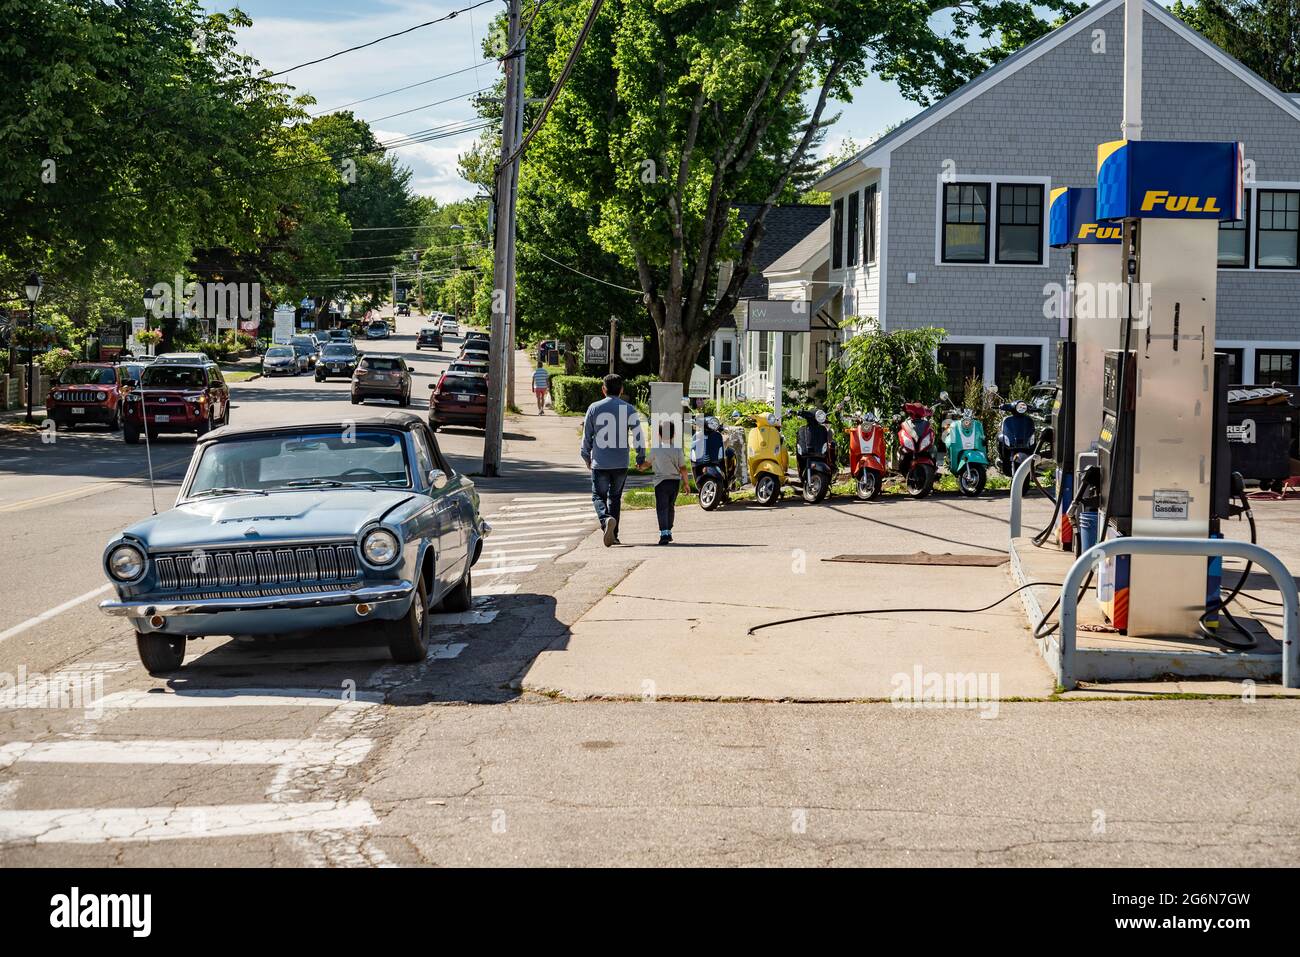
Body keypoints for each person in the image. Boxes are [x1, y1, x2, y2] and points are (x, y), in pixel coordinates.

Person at [579, 373, 647, 546]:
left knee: (597, 496)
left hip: (600, 462)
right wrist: (640, 457)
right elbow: (638, 435)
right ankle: (614, 536)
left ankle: (605, 519)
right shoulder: (629, 409)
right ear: (621, 390)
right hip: (620, 462)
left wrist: (586, 455)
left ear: (603, 389)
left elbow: (587, 434)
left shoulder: (594, 408)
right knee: (615, 498)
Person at [649, 419, 689, 544]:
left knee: (662, 508)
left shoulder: (656, 449)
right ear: (674, 435)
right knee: (670, 507)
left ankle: (664, 533)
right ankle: (669, 530)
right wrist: (686, 483)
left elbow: (647, 463)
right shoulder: (677, 450)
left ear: (659, 435)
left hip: (661, 483)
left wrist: (640, 467)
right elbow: (683, 468)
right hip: (675, 482)